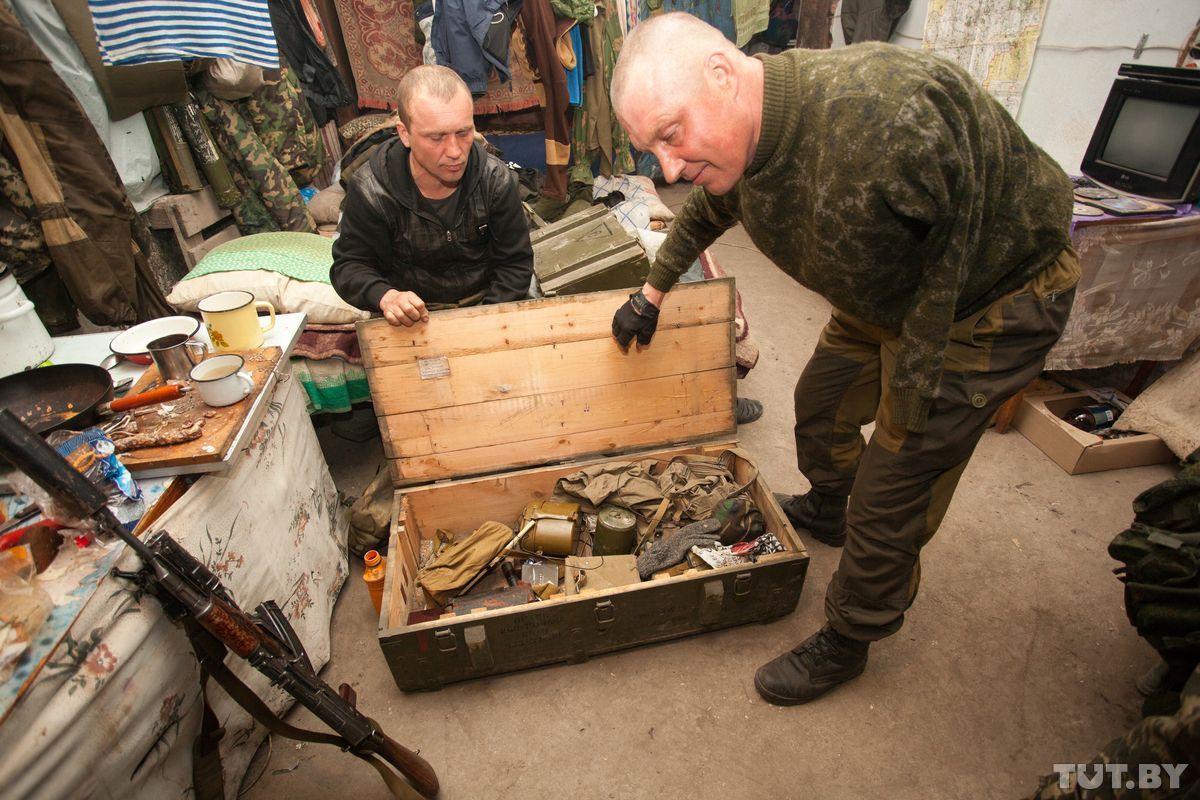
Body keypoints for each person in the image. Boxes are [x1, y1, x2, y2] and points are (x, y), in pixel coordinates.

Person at [609, 13, 1080, 705]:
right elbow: (707, 212)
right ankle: (832, 505)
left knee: (896, 487)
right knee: (821, 405)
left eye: (672, 136)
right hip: (887, 288)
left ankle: (851, 635)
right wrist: (652, 293)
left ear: (722, 72)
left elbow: (953, 260)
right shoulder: (738, 137)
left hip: (985, 299)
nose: (670, 168)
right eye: (652, 150)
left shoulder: (890, 117)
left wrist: (911, 410)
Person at [331, 65, 533, 326]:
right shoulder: (372, 191)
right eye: (436, 137)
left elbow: (515, 264)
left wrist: (485, 322)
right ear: (405, 134)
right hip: (411, 318)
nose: (454, 151)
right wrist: (386, 296)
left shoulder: (495, 180)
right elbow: (349, 266)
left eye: (463, 133)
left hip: (487, 305)